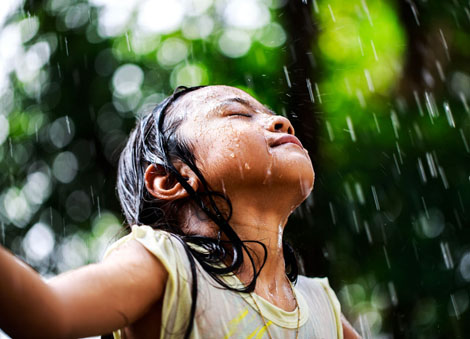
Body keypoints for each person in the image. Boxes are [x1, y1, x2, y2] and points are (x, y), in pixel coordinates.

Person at [0, 85, 360, 338]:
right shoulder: (169, 266)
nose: (282, 121)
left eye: (272, 114)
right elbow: (48, 315)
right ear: (171, 179)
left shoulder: (321, 305)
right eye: (237, 113)